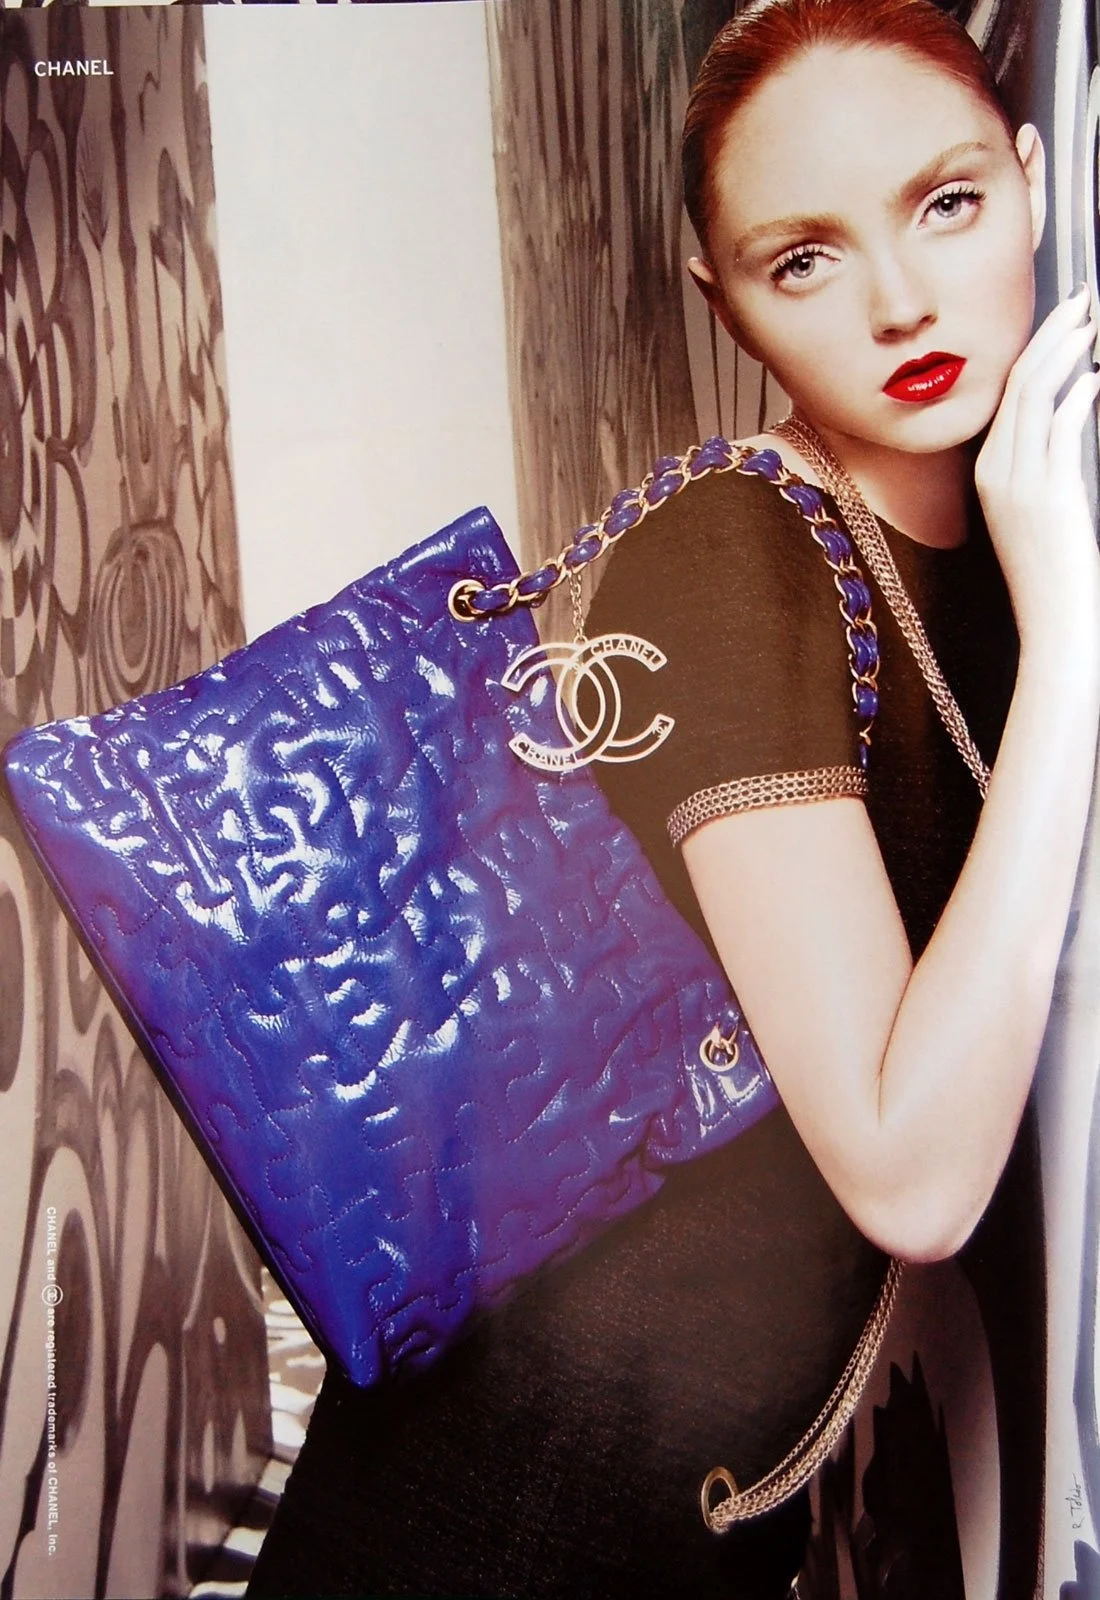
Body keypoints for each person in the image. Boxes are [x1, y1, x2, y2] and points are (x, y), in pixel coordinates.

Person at [245, 1, 1099, 1595]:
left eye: (948, 202)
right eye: (804, 259)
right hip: (502, 1526)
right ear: (724, 298)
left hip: (685, 1522)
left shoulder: (995, 533)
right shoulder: (729, 559)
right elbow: (910, 1175)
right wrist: (1072, 638)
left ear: (1039, 184)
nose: (902, 302)